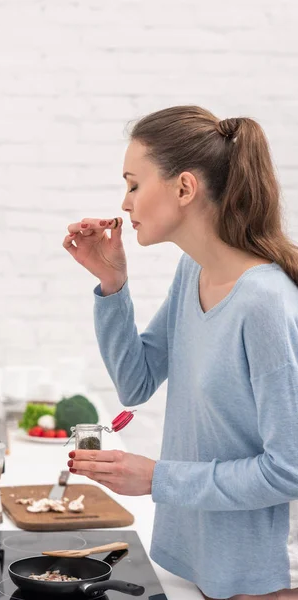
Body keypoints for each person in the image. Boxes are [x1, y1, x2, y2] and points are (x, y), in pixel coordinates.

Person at [62, 105, 298, 600]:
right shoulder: (192, 273)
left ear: (184, 188)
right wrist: (112, 284)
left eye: (133, 184)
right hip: (199, 560)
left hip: (262, 575)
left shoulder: (265, 304)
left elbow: (288, 469)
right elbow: (137, 382)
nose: (124, 204)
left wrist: (159, 479)